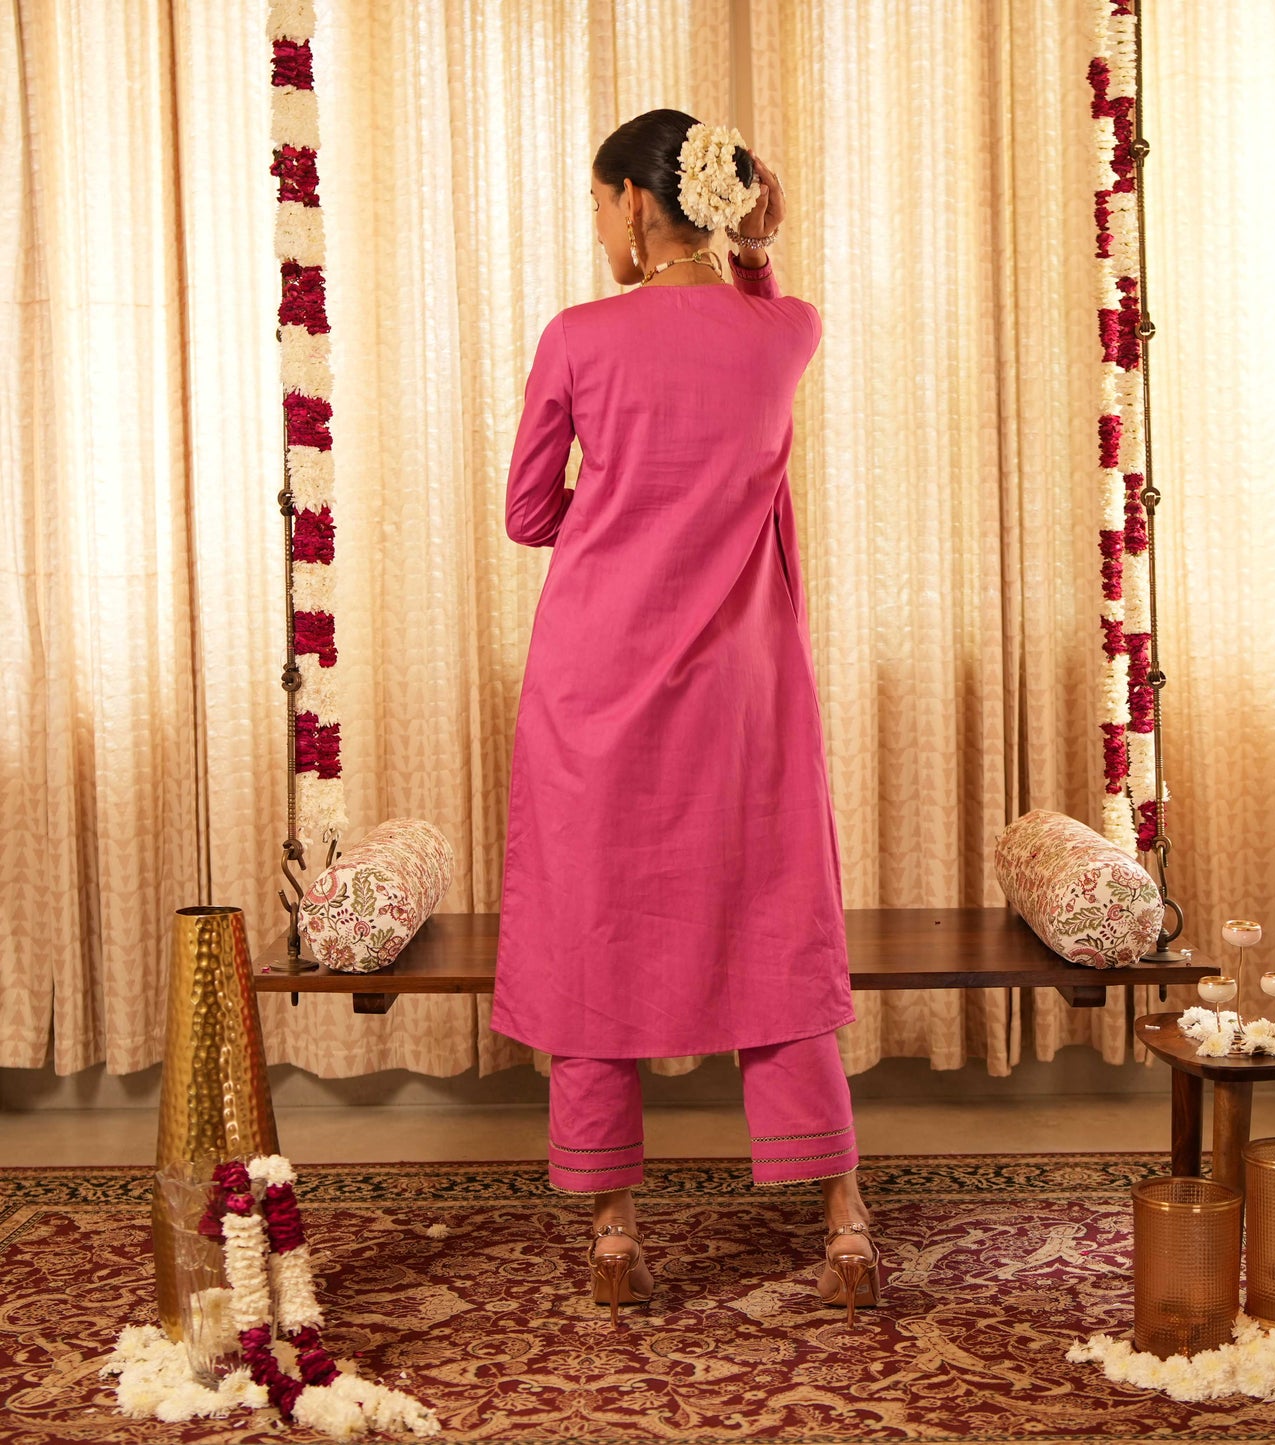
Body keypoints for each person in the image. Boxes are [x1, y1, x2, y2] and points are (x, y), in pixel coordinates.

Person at [493, 108, 880, 1327]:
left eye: (598, 204)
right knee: (775, 919)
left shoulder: (577, 336)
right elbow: (763, 305)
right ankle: (843, 1223)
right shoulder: (786, 331)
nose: (598, 228)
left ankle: (612, 1231)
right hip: (741, 690)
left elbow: (526, 513)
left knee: (591, 930)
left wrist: (622, 516)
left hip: (593, 684)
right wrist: (754, 250)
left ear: (633, 201)